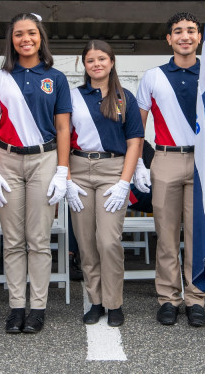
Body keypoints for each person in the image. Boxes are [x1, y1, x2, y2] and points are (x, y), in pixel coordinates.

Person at [0, 12, 72, 334]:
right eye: (19, 34)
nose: (25, 39)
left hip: (44, 161)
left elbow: (64, 127)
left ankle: (37, 307)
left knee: (38, 240)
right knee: (13, 239)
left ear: (40, 37)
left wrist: (63, 170)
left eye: (31, 33)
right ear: (12, 40)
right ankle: (16, 305)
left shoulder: (56, 78)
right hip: (7, 161)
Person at [136, 11, 205, 327]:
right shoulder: (152, 76)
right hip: (164, 160)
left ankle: (195, 298)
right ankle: (168, 298)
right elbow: (138, 127)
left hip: (204, 161)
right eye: (178, 31)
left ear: (199, 37)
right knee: (166, 236)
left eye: (191, 30)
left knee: (197, 236)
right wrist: (139, 161)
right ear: (169, 39)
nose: (185, 36)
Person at [67, 40, 144, 327]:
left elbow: (135, 140)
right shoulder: (72, 96)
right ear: (83, 65)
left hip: (113, 170)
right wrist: (67, 176)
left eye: (102, 59)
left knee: (108, 241)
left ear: (111, 62)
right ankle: (95, 301)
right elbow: (63, 134)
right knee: (86, 243)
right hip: (79, 169)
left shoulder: (126, 98)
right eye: (90, 60)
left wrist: (126, 181)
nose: (96, 64)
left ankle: (114, 303)